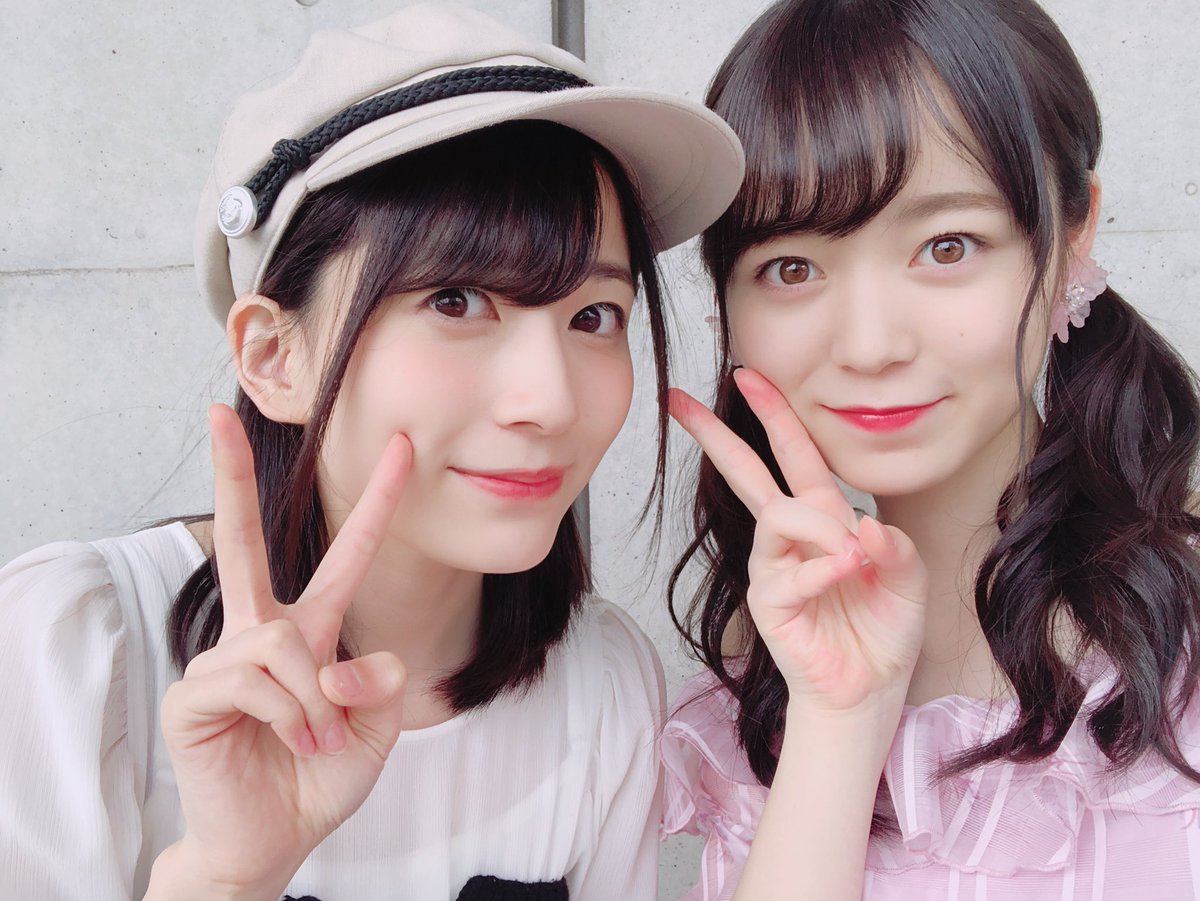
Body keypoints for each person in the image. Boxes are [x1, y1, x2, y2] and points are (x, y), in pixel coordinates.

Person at [0, 5, 743, 899]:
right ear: (275, 358)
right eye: (456, 301)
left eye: (593, 315)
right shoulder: (77, 656)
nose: (550, 400)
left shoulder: (601, 682)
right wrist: (226, 876)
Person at [661, 0, 1200, 897]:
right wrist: (840, 723)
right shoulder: (750, 722)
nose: (870, 344)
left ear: (1073, 237)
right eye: (792, 267)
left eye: (948, 246)